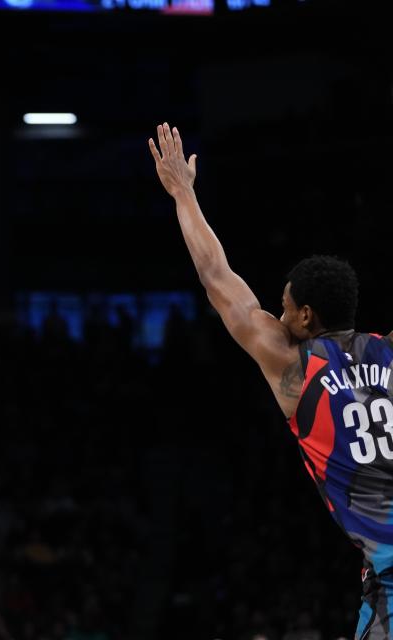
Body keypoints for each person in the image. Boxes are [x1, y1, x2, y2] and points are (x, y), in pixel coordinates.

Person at [149, 123, 393, 640]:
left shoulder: (294, 366)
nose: (276, 316)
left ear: (305, 316)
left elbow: (216, 276)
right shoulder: (389, 351)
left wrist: (183, 194)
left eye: (282, 308)